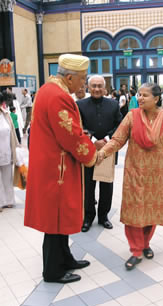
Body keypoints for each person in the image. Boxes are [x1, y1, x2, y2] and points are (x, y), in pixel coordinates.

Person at [24, 54, 97, 284]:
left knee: (60, 217)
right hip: (57, 170)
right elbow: (70, 136)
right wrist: (92, 152)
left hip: (52, 164)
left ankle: (65, 259)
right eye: (82, 79)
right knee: (55, 220)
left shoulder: (49, 90)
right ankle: (53, 271)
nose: (83, 84)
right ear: (69, 77)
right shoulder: (58, 97)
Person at [96, 83, 163, 270]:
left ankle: (145, 243)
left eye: (145, 95)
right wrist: (102, 153)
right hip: (135, 173)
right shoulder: (132, 116)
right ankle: (135, 250)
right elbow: (118, 139)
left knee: (151, 211)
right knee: (135, 212)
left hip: (158, 175)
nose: (140, 98)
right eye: (140, 95)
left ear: (157, 99)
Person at [77, 75, 123, 232]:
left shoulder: (114, 104)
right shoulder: (80, 105)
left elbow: (120, 125)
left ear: (105, 88)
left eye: (99, 86)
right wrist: (93, 140)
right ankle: (88, 217)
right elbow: (78, 126)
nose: (96, 89)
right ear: (88, 87)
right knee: (88, 186)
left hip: (108, 150)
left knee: (106, 185)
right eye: (93, 86)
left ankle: (103, 216)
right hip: (88, 150)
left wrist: (107, 139)